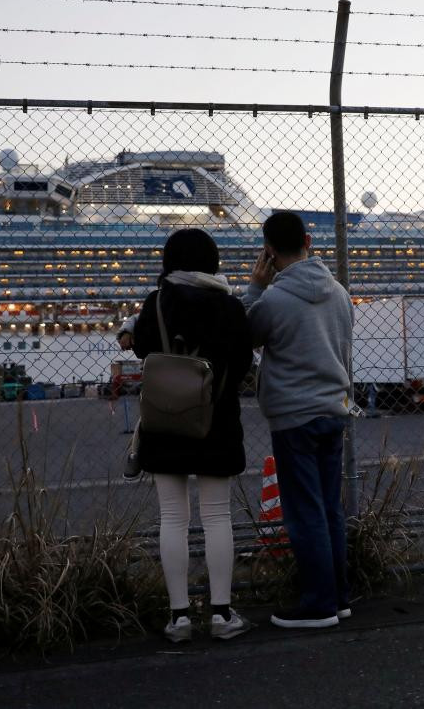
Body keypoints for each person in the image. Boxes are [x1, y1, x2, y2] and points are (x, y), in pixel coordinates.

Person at [133, 228, 254, 642]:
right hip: (215, 422)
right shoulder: (231, 307)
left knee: (173, 517)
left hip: (165, 420)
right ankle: (221, 614)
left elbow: (141, 350)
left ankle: (179, 617)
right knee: (218, 516)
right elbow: (241, 363)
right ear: (213, 260)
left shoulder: (157, 303)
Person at [242, 211, 354, 629]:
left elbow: (244, 335)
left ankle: (318, 604)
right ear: (309, 239)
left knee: (304, 512)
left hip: (294, 417)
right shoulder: (340, 293)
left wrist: (255, 284)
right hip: (333, 411)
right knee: (329, 510)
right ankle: (338, 597)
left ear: (268, 250)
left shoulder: (274, 299)